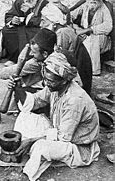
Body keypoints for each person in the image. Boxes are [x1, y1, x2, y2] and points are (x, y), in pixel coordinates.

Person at [11, 51, 100, 181]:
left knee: (40, 147)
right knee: (25, 116)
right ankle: (32, 148)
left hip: (78, 147)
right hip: (59, 130)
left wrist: (32, 140)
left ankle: (27, 175)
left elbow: (64, 137)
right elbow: (36, 101)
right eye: (45, 79)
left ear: (64, 81)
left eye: (50, 81)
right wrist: (18, 89)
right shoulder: (54, 87)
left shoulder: (75, 100)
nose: (46, 83)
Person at [39, 2, 93, 95]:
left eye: (44, 21)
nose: (40, 24)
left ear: (53, 23)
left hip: (79, 74)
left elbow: (59, 61)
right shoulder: (62, 30)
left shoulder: (62, 33)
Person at [2, 0, 48, 66]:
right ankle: (14, 59)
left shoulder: (44, 4)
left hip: (36, 29)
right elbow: (9, 16)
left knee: (35, 34)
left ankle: (30, 60)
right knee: (7, 30)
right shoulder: (19, 2)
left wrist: (28, 15)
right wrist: (13, 20)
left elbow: (44, 21)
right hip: (20, 27)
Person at [71, 0, 113, 75]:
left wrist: (88, 30)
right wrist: (76, 28)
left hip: (102, 40)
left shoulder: (105, 7)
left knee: (93, 38)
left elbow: (108, 26)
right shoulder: (85, 4)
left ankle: (93, 70)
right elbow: (71, 17)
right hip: (85, 36)